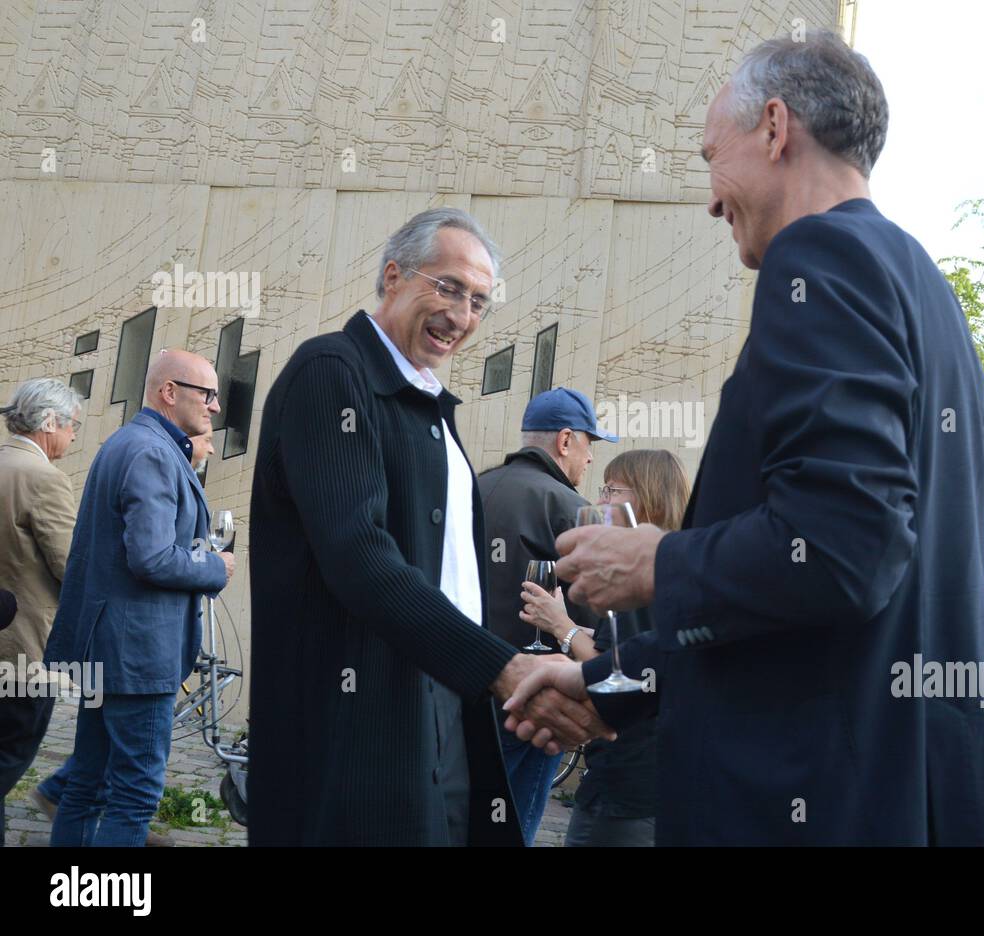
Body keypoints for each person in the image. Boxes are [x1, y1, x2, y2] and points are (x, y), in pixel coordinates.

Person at [503, 30, 984, 845]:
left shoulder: (820, 255)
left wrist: (657, 563)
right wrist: (610, 685)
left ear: (775, 128)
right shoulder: (926, 289)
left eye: (713, 156)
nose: (711, 199)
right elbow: (829, 608)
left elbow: (842, 548)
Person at [247, 208, 609, 847]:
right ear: (392, 276)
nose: (462, 315)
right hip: (357, 732)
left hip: (442, 711)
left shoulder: (428, 406)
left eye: (478, 301)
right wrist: (504, 669)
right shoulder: (332, 372)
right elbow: (360, 558)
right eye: (447, 287)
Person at [43, 350, 235, 847]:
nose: (215, 407)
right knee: (134, 794)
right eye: (207, 394)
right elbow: (150, 557)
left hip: (109, 651)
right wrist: (215, 565)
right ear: (169, 392)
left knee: (86, 784)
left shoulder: (130, 443)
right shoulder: (150, 451)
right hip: (136, 656)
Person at [520, 450, 690, 846]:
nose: (598, 502)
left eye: (611, 490)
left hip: (626, 787)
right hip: (664, 782)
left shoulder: (636, 574)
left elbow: (619, 676)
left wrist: (560, 627)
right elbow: (636, 648)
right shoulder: (677, 565)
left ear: (648, 497)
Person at [477, 387, 612, 844]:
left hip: (459, 689)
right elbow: (606, 618)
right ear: (566, 441)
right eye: (590, 444)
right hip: (533, 705)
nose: (591, 459)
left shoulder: (471, 489)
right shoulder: (572, 508)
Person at [0, 379, 80, 847]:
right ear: (50, 422)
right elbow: (71, 565)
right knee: (13, 749)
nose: (72, 436)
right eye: (70, 426)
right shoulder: (44, 478)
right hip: (24, 647)